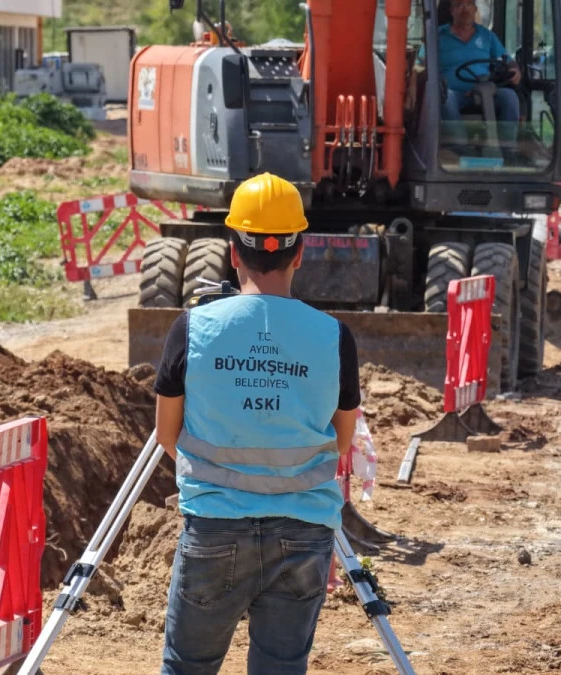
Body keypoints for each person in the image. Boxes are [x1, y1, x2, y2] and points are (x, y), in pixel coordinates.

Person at [153, 172, 361, 674]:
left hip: (215, 530)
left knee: (188, 668)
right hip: (305, 532)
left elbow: (167, 434)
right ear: (299, 252)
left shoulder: (193, 327)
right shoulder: (334, 337)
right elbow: (343, 440)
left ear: (233, 252)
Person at [438, 0, 521, 147]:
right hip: (452, 92)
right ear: (452, 10)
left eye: (469, 4)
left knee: (510, 97)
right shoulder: (438, 36)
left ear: (475, 9)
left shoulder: (487, 36)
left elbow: (507, 60)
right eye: (459, 5)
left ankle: (507, 152)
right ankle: (460, 149)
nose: (465, 9)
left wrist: (514, 70)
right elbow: (421, 64)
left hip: (484, 91)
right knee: (445, 98)